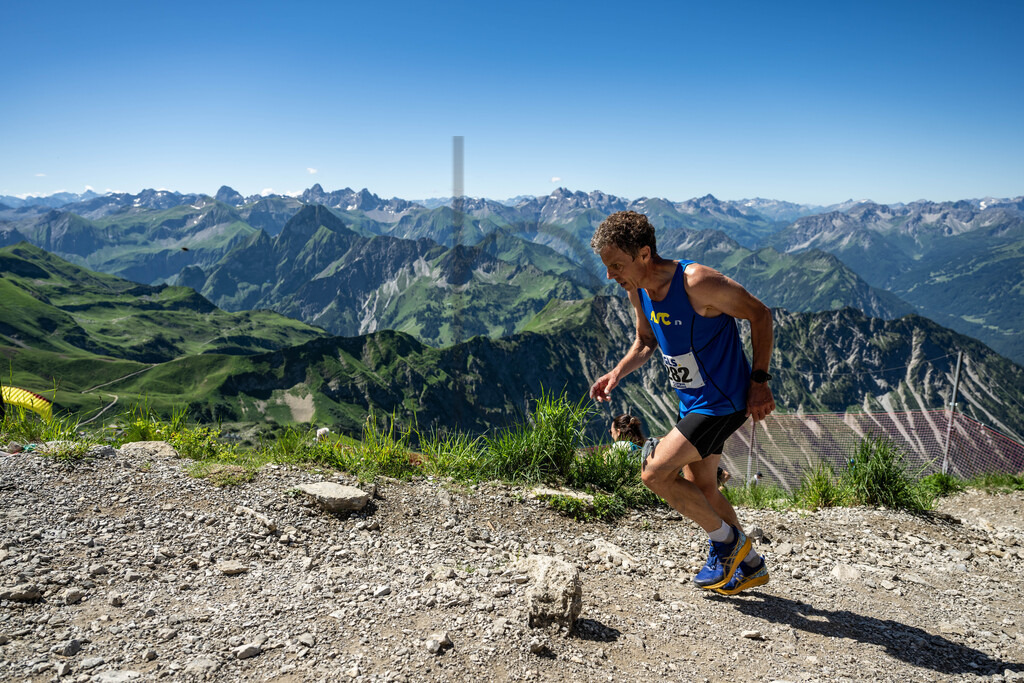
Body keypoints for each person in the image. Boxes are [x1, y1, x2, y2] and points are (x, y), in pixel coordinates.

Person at [589, 211, 775, 595]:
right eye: (607, 267)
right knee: (703, 486)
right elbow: (645, 342)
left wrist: (759, 381)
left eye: (616, 265)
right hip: (691, 402)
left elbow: (760, 314)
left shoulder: (696, 282)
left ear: (644, 254)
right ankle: (751, 565)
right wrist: (617, 373)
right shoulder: (636, 288)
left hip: (722, 401)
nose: (610, 275)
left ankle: (727, 545)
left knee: (654, 474)